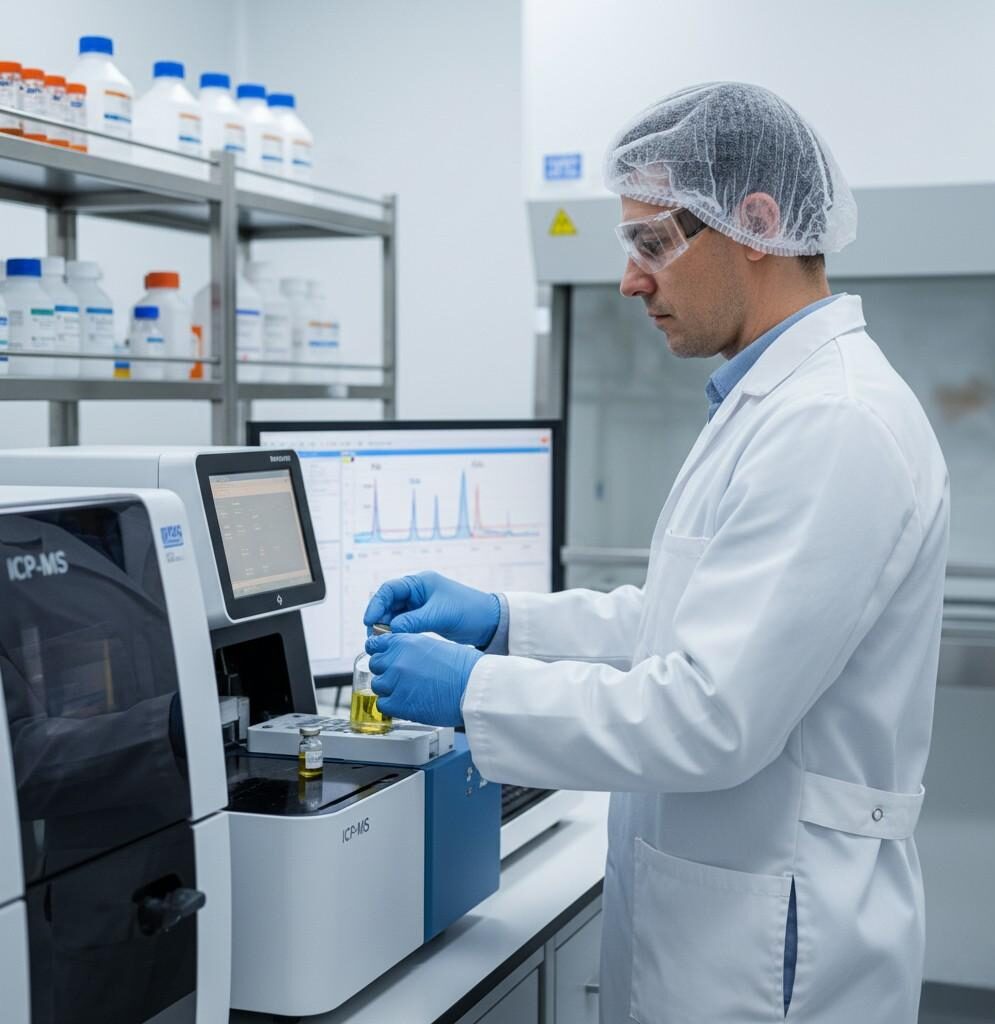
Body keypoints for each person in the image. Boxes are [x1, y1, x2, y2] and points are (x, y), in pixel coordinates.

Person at [363, 82, 949, 1024]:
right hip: (730, 902)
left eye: (652, 243)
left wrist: (474, 689)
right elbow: (690, 618)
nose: (630, 280)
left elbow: (708, 715)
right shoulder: (772, 403)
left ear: (757, 224)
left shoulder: (833, 421)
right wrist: (510, 622)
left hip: (779, 939)